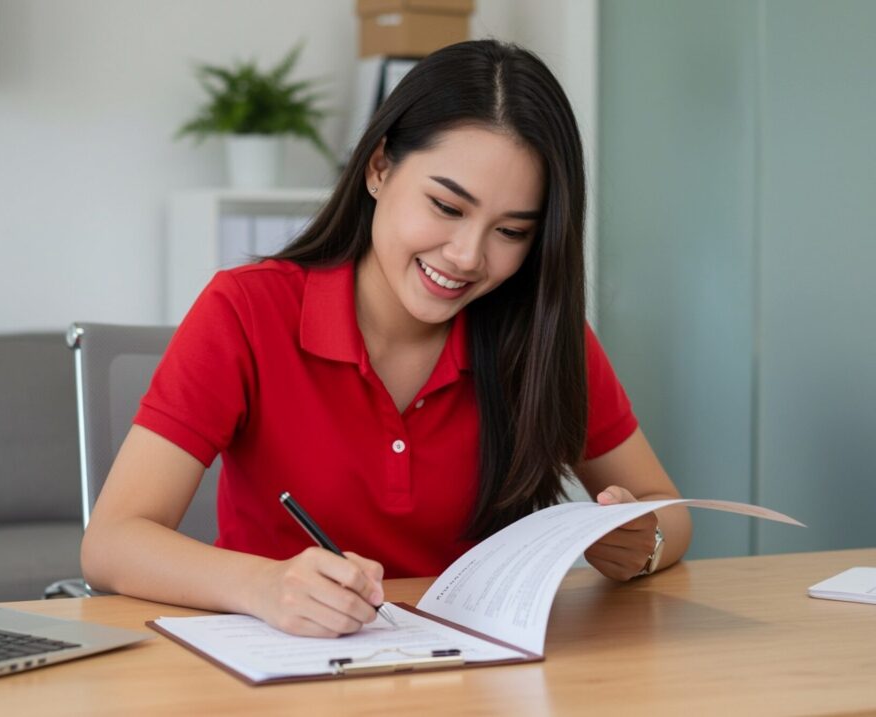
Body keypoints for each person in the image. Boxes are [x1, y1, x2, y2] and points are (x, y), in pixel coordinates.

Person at [81, 39, 692, 638]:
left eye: (509, 231)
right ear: (379, 168)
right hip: (279, 671)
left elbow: (667, 507)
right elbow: (111, 542)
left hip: (471, 676)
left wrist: (644, 542)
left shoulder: (539, 334)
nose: (467, 256)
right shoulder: (245, 309)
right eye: (447, 207)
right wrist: (264, 586)